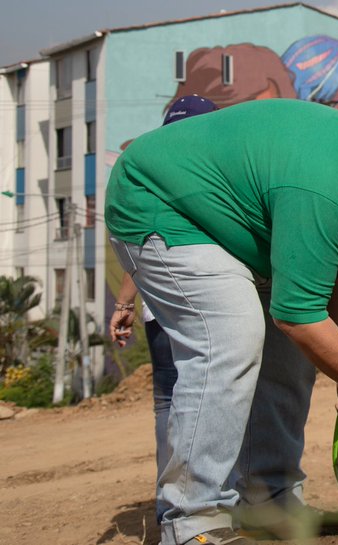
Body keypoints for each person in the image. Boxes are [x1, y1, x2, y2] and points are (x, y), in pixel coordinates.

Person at [106, 97, 338, 545]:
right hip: (158, 204)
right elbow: (298, 317)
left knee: (294, 357)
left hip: (233, 226)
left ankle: (268, 501)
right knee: (231, 335)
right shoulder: (324, 184)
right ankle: (192, 519)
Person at [108, 94, 219, 525]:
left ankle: (168, 506)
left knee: (168, 402)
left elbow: (140, 243)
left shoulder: (148, 174)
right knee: (215, 395)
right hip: (207, 304)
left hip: (159, 306)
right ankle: (208, 502)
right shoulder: (212, 173)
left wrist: (125, 302)